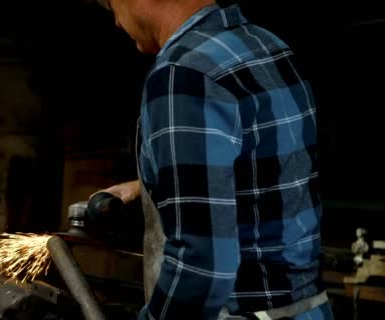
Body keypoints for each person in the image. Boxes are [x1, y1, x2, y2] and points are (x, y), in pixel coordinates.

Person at [91, 0, 334, 319]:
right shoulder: (266, 45)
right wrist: (155, 185)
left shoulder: (183, 73)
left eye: (111, 7)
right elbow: (269, 170)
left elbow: (202, 264)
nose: (118, 23)